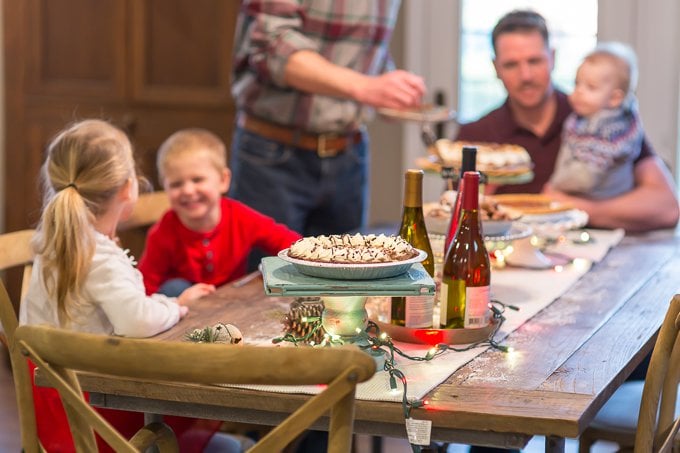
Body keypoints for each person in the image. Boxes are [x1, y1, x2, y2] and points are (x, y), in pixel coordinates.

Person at [19, 119, 241, 453]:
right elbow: (136, 321)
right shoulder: (98, 256)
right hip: (98, 414)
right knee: (201, 412)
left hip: (55, 404)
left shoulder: (61, 241)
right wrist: (176, 305)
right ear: (128, 188)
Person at [457, 9, 679, 232]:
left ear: (553, 57)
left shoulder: (599, 121)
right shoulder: (475, 135)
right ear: (496, 68)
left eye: (534, 61)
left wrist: (578, 207)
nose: (525, 76)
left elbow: (667, 207)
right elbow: (454, 220)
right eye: (511, 65)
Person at [229, 0, 426, 242]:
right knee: (267, 274)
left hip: (349, 154)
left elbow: (362, 47)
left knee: (348, 275)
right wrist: (366, 87)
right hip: (273, 155)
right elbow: (271, 47)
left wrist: (387, 88)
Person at [138, 128, 302, 296]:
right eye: (176, 184)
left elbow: (287, 241)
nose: (187, 190)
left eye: (197, 180)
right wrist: (175, 305)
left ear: (223, 180)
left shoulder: (241, 217)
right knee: (175, 287)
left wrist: (311, 262)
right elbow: (143, 290)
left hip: (231, 301)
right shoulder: (162, 234)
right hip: (184, 309)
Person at [550, 42, 643, 199]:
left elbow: (585, 177)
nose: (579, 92)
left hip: (603, 202)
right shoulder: (583, 119)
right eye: (577, 83)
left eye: (591, 87)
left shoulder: (610, 130)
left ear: (615, 98)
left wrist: (555, 185)